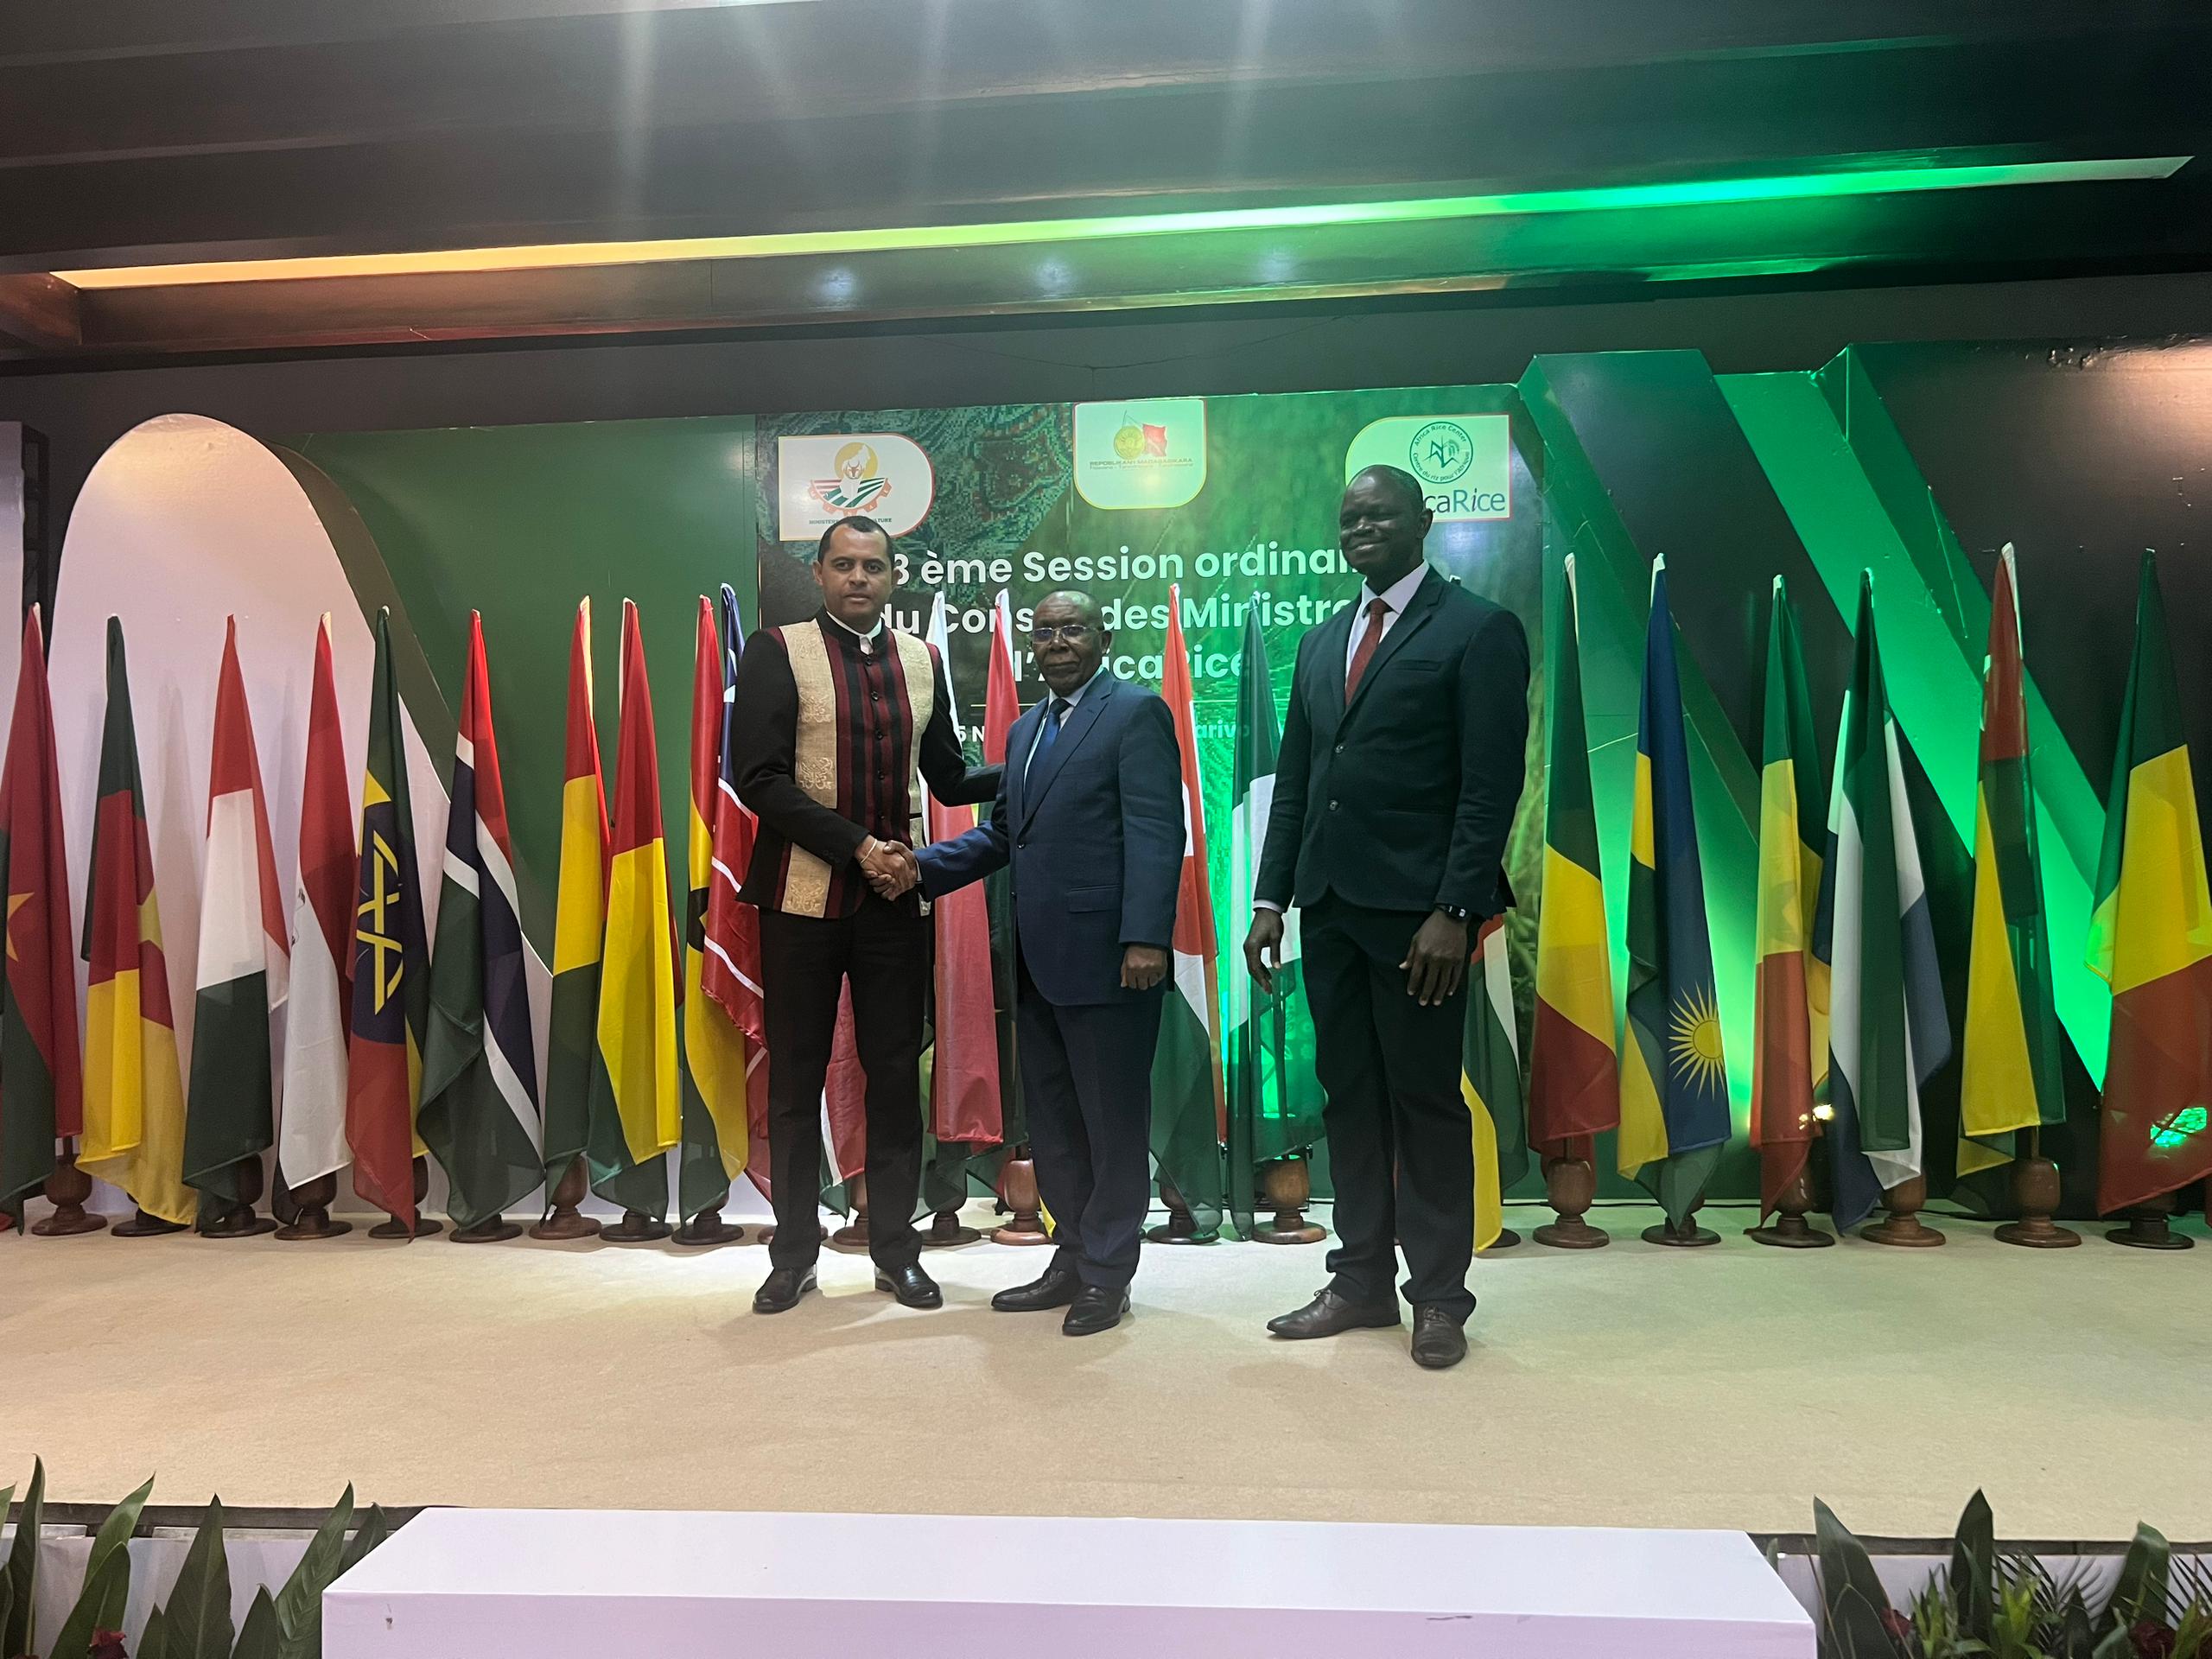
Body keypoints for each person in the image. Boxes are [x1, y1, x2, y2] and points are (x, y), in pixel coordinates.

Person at [1245, 465, 1529, 1370]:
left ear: (1423, 520)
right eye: (1350, 518)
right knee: (1351, 1102)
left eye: (1380, 514)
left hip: (1420, 923)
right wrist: (1269, 899)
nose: (1361, 528)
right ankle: (1360, 1281)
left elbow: (1490, 786)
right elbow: (1298, 782)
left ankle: (1438, 1297)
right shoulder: (1322, 640)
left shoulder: (1478, 628)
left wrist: (1456, 908)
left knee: (1425, 1104)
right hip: (1329, 910)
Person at [729, 515, 999, 1314]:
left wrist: (1038, 759)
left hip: (892, 905)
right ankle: (792, 1258)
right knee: (795, 1079)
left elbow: (948, 778)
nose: (858, 578)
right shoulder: (776, 651)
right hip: (799, 900)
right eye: (843, 565)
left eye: (873, 566)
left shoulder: (922, 659)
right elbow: (759, 778)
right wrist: (859, 847)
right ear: (818, 574)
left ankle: (895, 1252)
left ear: (893, 576)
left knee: (893, 1077)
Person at [909, 590, 1181, 1336]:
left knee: (1112, 1124)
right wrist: (921, 868)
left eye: (1073, 629)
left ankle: (1109, 1274)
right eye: (1045, 632)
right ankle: (1074, 1255)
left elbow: (1157, 831)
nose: (1057, 643)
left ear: (1104, 637)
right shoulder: (1027, 729)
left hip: (1112, 961)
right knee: (1056, 1123)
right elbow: (1004, 836)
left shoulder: (1136, 713)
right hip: (1036, 962)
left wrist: (1146, 939)